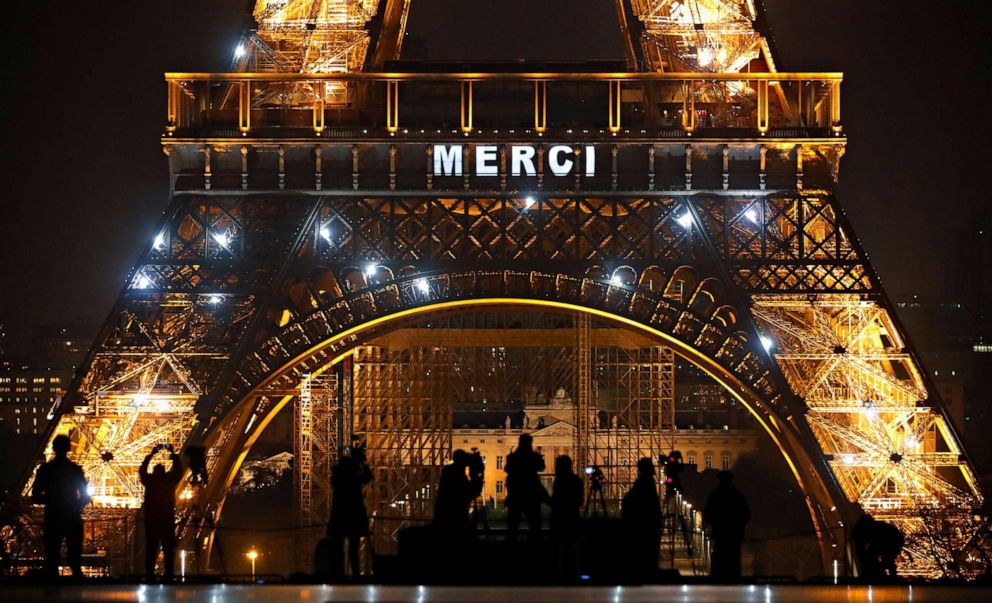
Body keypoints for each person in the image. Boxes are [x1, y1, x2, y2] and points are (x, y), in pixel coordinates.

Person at [32, 434, 89, 578]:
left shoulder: (45, 470)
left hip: (53, 516)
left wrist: (52, 500)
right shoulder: (75, 470)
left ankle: (52, 590)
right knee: (75, 556)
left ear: (54, 447)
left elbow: (36, 495)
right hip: (72, 516)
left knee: (52, 555)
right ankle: (77, 587)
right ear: (68, 448)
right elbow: (85, 496)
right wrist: (73, 504)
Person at [327, 444, 373, 579]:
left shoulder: (338, 477)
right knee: (354, 549)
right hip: (353, 515)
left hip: (340, 515)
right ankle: (356, 575)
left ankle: (338, 574)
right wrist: (362, 462)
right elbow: (368, 478)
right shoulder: (352, 478)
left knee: (339, 548)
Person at [139, 443, 183, 580]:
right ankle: (169, 575)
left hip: (152, 520)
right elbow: (179, 471)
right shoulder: (169, 482)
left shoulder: (150, 481)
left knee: (151, 550)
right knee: (169, 551)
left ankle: (149, 575)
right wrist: (173, 454)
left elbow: (142, 470)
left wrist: (151, 455)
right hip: (167, 520)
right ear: (165, 472)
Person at [702, 470, 751, 582]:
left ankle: (718, 580)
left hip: (720, 533)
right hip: (734, 534)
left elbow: (707, 513)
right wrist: (738, 524)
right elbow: (746, 514)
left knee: (719, 560)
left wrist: (716, 523)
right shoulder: (737, 495)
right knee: (733, 561)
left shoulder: (715, 495)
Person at [621, 457, 662, 581]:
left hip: (643, 526)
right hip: (647, 527)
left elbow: (628, 501)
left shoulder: (642, 484)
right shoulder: (647, 484)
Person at [504, 434, 547, 537]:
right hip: (531, 494)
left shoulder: (512, 457)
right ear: (530, 443)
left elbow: (507, 469)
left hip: (516, 494)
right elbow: (542, 467)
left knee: (513, 525)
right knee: (534, 525)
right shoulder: (533, 456)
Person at [434, 449, 484, 536]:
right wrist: (476, 475)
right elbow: (472, 493)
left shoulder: (450, 470)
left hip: (446, 517)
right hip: (454, 519)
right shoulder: (455, 473)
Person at [550, 455, 583, 579]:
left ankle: (561, 576)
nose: (555, 469)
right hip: (573, 519)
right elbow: (579, 501)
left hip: (561, 520)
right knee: (574, 549)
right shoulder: (578, 481)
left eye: (557, 467)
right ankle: (576, 574)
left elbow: (556, 501)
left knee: (560, 551)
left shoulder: (559, 482)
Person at [852, 513, 904, 581]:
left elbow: (860, 551)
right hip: (893, 541)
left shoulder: (873, 531)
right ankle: (886, 576)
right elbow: (860, 550)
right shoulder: (875, 529)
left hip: (891, 541)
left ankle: (882, 576)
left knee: (882, 560)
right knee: (882, 560)